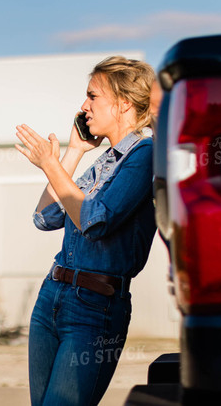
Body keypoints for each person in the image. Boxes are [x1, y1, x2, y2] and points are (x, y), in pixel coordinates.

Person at [15, 55, 158, 405]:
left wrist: (49, 165)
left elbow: (95, 221)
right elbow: (45, 217)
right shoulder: (105, 160)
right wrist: (73, 152)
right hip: (52, 296)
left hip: (94, 308)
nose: (84, 106)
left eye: (93, 96)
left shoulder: (144, 155)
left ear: (123, 103)